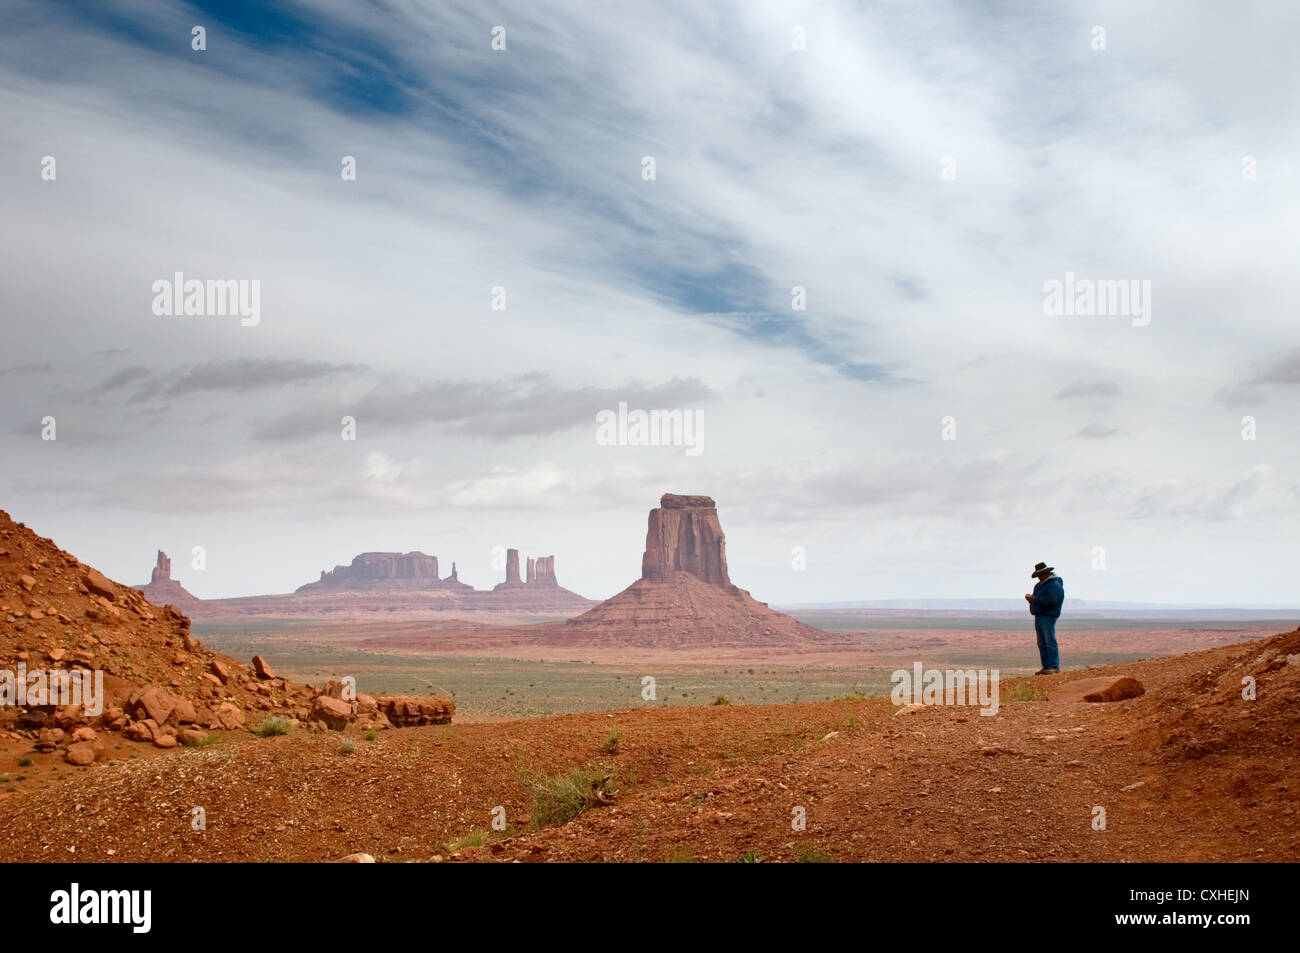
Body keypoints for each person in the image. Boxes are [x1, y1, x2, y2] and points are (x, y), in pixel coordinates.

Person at [1025, 561, 1064, 674]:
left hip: (1048, 616)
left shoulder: (1054, 585)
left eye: (1040, 575)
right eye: (1038, 576)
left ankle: (1053, 666)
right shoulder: (1039, 586)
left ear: (1046, 573)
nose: (1039, 578)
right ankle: (1046, 666)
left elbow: (1051, 601)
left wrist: (1034, 600)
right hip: (1039, 615)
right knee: (1041, 642)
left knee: (1049, 641)